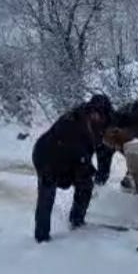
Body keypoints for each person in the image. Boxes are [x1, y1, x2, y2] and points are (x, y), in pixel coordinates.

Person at [32, 95, 114, 243]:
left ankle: (77, 220)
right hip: (47, 156)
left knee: (85, 186)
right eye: (99, 115)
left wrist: (102, 173)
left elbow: (103, 149)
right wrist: (91, 171)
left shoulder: (101, 122)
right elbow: (80, 157)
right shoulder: (71, 123)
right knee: (47, 193)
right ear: (92, 112)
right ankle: (42, 237)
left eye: (104, 116)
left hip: (71, 159)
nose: (101, 119)